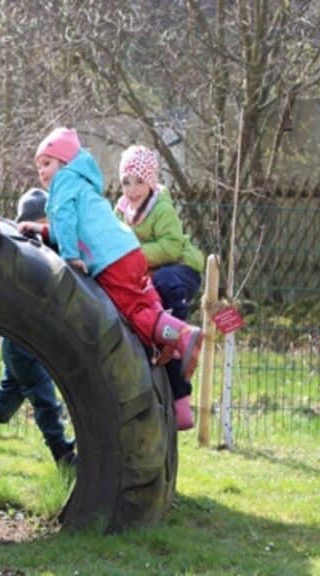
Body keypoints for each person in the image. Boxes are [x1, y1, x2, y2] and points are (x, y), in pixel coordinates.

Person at [18, 127, 203, 384]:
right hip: (130, 250)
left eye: (47, 163)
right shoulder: (83, 185)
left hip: (112, 261)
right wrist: (42, 230)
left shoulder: (63, 183)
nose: (41, 171)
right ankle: (167, 338)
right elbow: (73, 228)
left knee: (131, 311)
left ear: (65, 163)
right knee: (143, 299)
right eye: (39, 165)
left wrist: (70, 257)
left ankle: (180, 333)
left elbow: (65, 218)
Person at [0, 188, 77, 473]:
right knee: (45, 398)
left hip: (21, 342)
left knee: (6, 399)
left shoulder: (35, 250)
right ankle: (62, 454)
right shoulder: (32, 252)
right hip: (23, 344)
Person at [114, 145, 204, 430]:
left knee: (164, 281)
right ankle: (179, 403)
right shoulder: (122, 211)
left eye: (139, 182)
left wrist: (134, 253)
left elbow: (172, 246)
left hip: (182, 269)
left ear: (151, 182)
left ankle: (180, 334)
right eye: (126, 182)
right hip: (151, 276)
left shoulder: (161, 208)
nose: (132, 190)